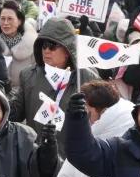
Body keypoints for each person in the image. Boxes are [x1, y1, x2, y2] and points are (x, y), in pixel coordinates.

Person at [9, 17, 99, 157]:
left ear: (68, 49)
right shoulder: (28, 75)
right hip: (36, 155)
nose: (46, 50)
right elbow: (16, 111)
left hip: (73, 158)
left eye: (52, 45)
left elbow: (100, 118)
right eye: (43, 45)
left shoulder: (87, 78)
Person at [0, 0, 37, 92]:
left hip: (24, 95)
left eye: (10, 19)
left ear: (19, 21)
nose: (6, 23)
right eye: (2, 19)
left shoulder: (32, 45)